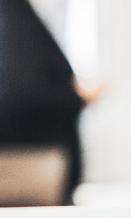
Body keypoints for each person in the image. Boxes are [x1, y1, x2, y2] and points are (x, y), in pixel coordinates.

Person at [0, 0, 100, 203]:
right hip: (31, 163)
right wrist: (77, 96)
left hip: (36, 162)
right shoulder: (12, 10)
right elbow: (22, 92)